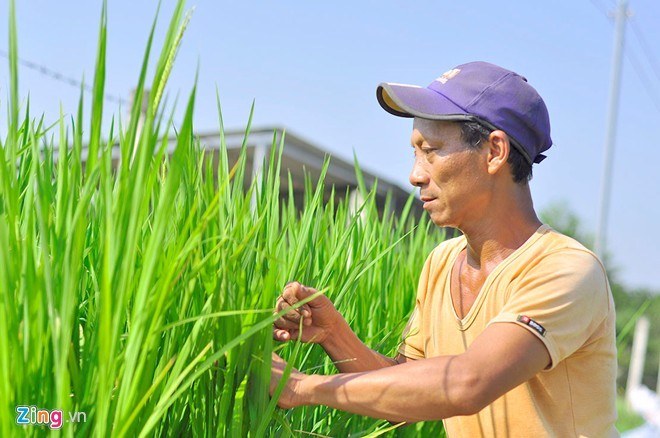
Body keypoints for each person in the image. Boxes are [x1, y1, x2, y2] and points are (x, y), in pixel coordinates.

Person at [270, 61, 618, 437]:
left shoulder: (565, 270)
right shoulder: (441, 262)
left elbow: (470, 383)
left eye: (431, 150)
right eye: (415, 153)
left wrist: (300, 388)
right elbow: (404, 394)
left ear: (495, 152)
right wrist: (334, 334)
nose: (415, 174)